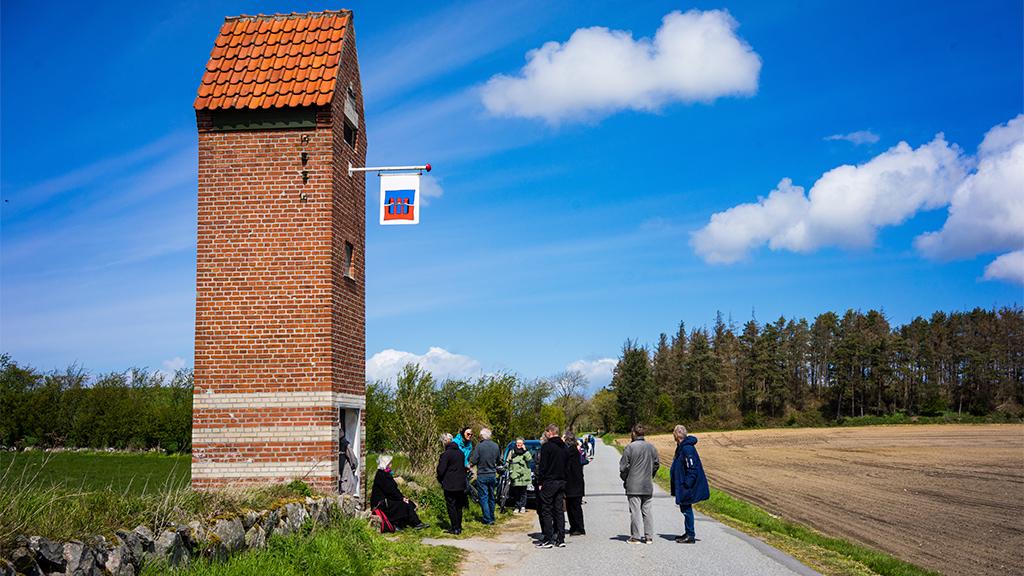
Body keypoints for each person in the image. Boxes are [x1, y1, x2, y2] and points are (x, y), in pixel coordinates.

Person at [619, 423, 660, 545]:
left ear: (633, 434)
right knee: (647, 511)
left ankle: (636, 537)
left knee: (635, 511)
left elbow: (624, 467)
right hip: (647, 484)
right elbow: (656, 464)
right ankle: (649, 537)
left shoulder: (629, 448)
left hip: (633, 484)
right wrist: (650, 475)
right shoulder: (651, 447)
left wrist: (625, 479)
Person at [670, 424, 710, 544]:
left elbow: (692, 468)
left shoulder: (687, 449)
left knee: (687, 509)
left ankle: (690, 535)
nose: (672, 435)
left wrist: (687, 484)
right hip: (682, 484)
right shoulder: (681, 447)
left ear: (677, 434)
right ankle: (688, 532)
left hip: (686, 485)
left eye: (673, 432)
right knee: (684, 508)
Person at [370, 455, 429, 530]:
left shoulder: (386, 473)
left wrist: (402, 497)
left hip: (387, 499)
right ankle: (400, 524)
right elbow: (389, 491)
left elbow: (394, 489)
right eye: (390, 462)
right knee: (403, 504)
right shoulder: (381, 475)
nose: (391, 464)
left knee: (408, 502)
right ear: (386, 464)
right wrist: (401, 498)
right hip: (381, 502)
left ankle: (416, 523)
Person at [535, 423, 570, 548]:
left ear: (549, 432)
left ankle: (547, 539)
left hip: (549, 481)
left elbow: (543, 466)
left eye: (546, 432)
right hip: (561, 481)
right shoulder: (565, 448)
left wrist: (540, 482)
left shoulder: (547, 447)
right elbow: (567, 467)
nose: (545, 434)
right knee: (559, 510)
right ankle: (561, 539)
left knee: (546, 510)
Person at [437, 432, 468, 535]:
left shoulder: (446, 454)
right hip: (461, 482)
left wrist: (439, 478)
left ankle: (454, 528)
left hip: (450, 483)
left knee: (451, 506)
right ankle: (459, 526)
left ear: (443, 443)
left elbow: (441, 470)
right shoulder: (460, 452)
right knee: (458, 506)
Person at [470, 427, 502, 525]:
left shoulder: (479, 447)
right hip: (492, 474)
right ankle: (492, 517)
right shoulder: (496, 446)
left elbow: (474, 460)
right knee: (491, 497)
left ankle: (487, 519)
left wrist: (470, 465)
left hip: (482, 475)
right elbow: (498, 461)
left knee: (483, 497)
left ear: (482, 436)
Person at [563, 431, 588, 536]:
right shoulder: (571, 450)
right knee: (570, 506)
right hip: (572, 483)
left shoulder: (571, 450)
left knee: (575, 506)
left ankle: (579, 528)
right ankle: (573, 527)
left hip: (574, 483)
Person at [506, 437, 533, 513]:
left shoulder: (525, 452)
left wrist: (525, 450)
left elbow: (529, 459)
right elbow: (508, 462)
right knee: (516, 493)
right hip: (515, 475)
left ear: (523, 444)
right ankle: (517, 506)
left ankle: (523, 506)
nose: (519, 445)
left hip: (524, 476)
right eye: (517, 443)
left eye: (520, 443)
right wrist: (508, 471)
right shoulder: (512, 452)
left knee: (523, 492)